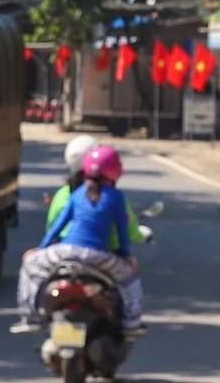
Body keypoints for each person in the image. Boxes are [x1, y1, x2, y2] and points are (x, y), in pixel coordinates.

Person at [14, 144, 143, 335]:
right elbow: (123, 232)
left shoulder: (76, 194)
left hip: (66, 251)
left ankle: (30, 316)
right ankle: (132, 323)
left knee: (29, 264)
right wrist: (126, 256)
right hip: (97, 256)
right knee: (130, 280)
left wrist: (41, 248)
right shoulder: (116, 197)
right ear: (115, 170)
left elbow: (57, 227)